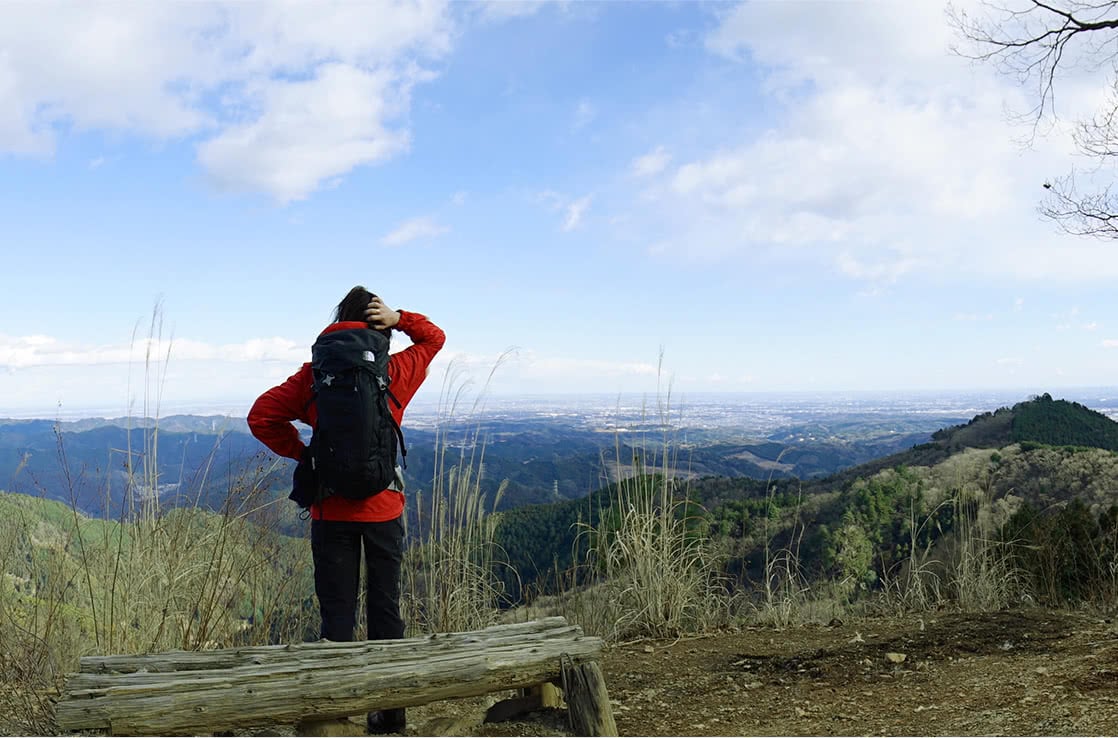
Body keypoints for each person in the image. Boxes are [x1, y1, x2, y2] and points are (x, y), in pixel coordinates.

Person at [247, 286, 445, 735]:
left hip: (330, 512)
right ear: (381, 328)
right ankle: (389, 715)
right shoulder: (395, 370)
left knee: (336, 611)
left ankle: (334, 716)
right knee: (385, 608)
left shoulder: (314, 376)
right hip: (384, 510)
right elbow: (435, 339)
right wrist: (402, 319)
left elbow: (261, 417)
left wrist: (304, 455)